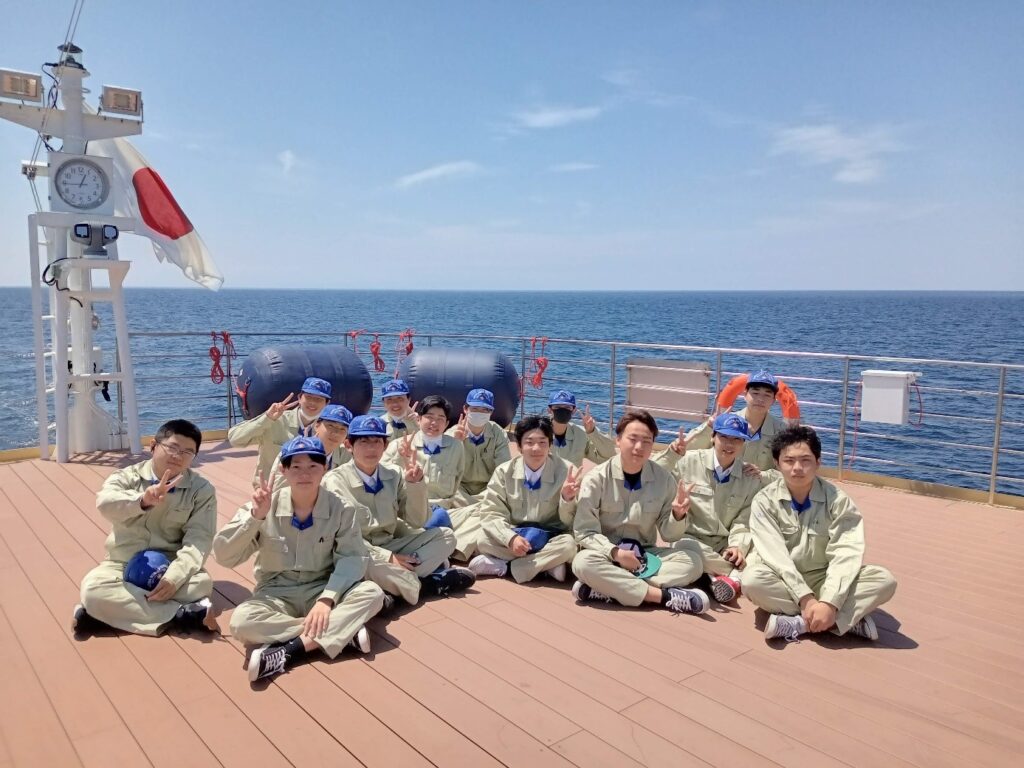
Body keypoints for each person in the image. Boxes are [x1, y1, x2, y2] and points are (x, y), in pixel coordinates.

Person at [214, 436, 385, 682]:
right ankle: (340, 631)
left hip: (323, 588)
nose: (305, 474)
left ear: (325, 467)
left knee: (372, 593)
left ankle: (292, 649)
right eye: (296, 467)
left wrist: (326, 599)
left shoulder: (342, 508)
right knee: (241, 622)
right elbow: (224, 555)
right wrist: (255, 517)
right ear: (284, 471)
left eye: (313, 466)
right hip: (276, 593)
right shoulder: (264, 505)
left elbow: (353, 558)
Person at [742, 426, 897, 642]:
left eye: (805, 460)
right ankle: (841, 620)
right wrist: (805, 598)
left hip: (826, 576)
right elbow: (776, 557)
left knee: (884, 580)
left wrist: (830, 601)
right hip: (783, 579)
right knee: (751, 581)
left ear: (818, 462)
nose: (797, 468)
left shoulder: (838, 500)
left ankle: (800, 623)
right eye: (789, 461)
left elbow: (846, 552)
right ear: (777, 464)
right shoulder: (764, 501)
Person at [73, 419, 217, 636]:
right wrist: (142, 501)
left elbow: (200, 540)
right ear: (153, 446)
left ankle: (100, 614)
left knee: (201, 584)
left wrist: (174, 577)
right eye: (172, 447)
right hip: (122, 564)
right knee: (93, 589)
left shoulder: (201, 490)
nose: (178, 456)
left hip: (169, 566)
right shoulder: (126, 477)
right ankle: (181, 615)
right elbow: (105, 504)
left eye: (187, 452)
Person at [322, 415, 476, 606]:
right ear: (348, 445)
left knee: (446, 536)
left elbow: (417, 521)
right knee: (362, 563)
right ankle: (426, 584)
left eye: (377, 442)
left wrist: (416, 485)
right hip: (359, 551)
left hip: (391, 544)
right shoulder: (334, 482)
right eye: (363, 442)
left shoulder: (394, 474)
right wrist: (387, 557)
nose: (371, 448)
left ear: (385, 446)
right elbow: (344, 539)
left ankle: (394, 588)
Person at [571, 411, 709, 614]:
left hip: (646, 556)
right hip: (607, 554)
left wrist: (678, 516)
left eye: (646, 441)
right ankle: (664, 596)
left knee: (693, 562)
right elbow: (585, 532)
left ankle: (608, 587)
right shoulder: (596, 479)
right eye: (633, 439)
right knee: (582, 563)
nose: (639, 447)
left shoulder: (663, 479)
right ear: (618, 440)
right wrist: (616, 553)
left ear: (653, 445)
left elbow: (669, 535)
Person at [466, 415, 581, 583]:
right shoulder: (504, 472)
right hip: (517, 534)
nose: (536, 448)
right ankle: (546, 566)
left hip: (551, 536)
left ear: (550, 445)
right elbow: (491, 512)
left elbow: (571, 522)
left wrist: (567, 499)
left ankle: (506, 567)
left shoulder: (568, 472)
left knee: (569, 546)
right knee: (483, 540)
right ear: (519, 446)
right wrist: (510, 538)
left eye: (542, 442)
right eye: (529, 442)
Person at [668, 413, 763, 604]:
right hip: (692, 539)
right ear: (713, 437)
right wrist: (671, 453)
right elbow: (654, 472)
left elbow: (743, 520)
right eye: (724, 437)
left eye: (737, 439)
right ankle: (734, 577)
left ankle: (712, 575)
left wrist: (737, 546)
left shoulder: (750, 477)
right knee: (684, 547)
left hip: (726, 542)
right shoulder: (686, 462)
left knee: (759, 547)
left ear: (743, 443)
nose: (729, 444)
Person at [228, 376, 332, 486]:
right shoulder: (275, 421)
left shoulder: (329, 431)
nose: (312, 402)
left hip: (309, 491)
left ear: (327, 403)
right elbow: (235, 439)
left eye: (318, 399)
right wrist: (266, 418)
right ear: (300, 398)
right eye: (309, 397)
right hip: (271, 490)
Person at [383, 395, 466, 513]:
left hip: (444, 509)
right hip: (409, 509)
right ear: (419, 419)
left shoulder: (456, 446)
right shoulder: (398, 444)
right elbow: (383, 477)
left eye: (440, 419)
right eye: (429, 417)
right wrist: (401, 457)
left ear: (446, 424)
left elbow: (458, 479)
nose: (434, 423)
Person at [447, 388, 511, 507]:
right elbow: (445, 473)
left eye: (485, 410)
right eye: (475, 409)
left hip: (489, 487)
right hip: (460, 489)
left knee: (506, 490)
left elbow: (504, 470)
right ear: (465, 409)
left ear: (491, 412)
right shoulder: (452, 434)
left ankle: (470, 509)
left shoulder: (498, 433)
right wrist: (455, 444)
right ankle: (480, 508)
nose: (479, 413)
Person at [267, 404, 353, 491]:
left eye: (342, 429)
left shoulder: (348, 455)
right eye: (330, 426)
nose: (336, 433)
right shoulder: (293, 450)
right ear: (316, 425)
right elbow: (279, 491)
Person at [547, 390, 617, 467]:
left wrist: (592, 432)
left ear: (574, 411)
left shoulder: (581, 434)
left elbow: (608, 457)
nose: (562, 411)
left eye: (567, 407)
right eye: (557, 407)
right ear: (549, 410)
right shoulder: (539, 432)